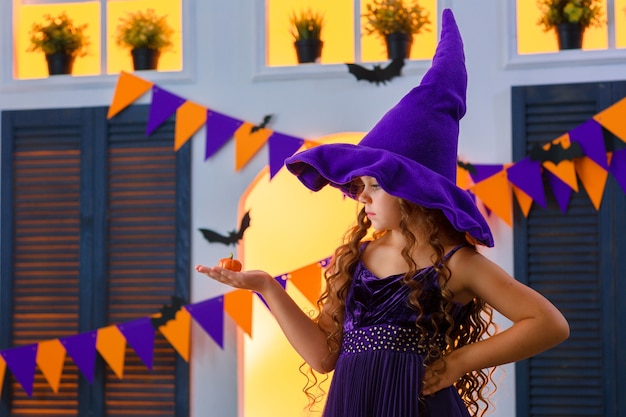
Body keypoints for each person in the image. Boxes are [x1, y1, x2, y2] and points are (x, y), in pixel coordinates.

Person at [195, 9, 569, 417]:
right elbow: (324, 357)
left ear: (414, 189)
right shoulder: (354, 259)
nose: (362, 198)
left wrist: (458, 362)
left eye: (376, 186)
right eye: (361, 187)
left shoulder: (459, 264)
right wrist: (266, 286)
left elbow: (548, 323)